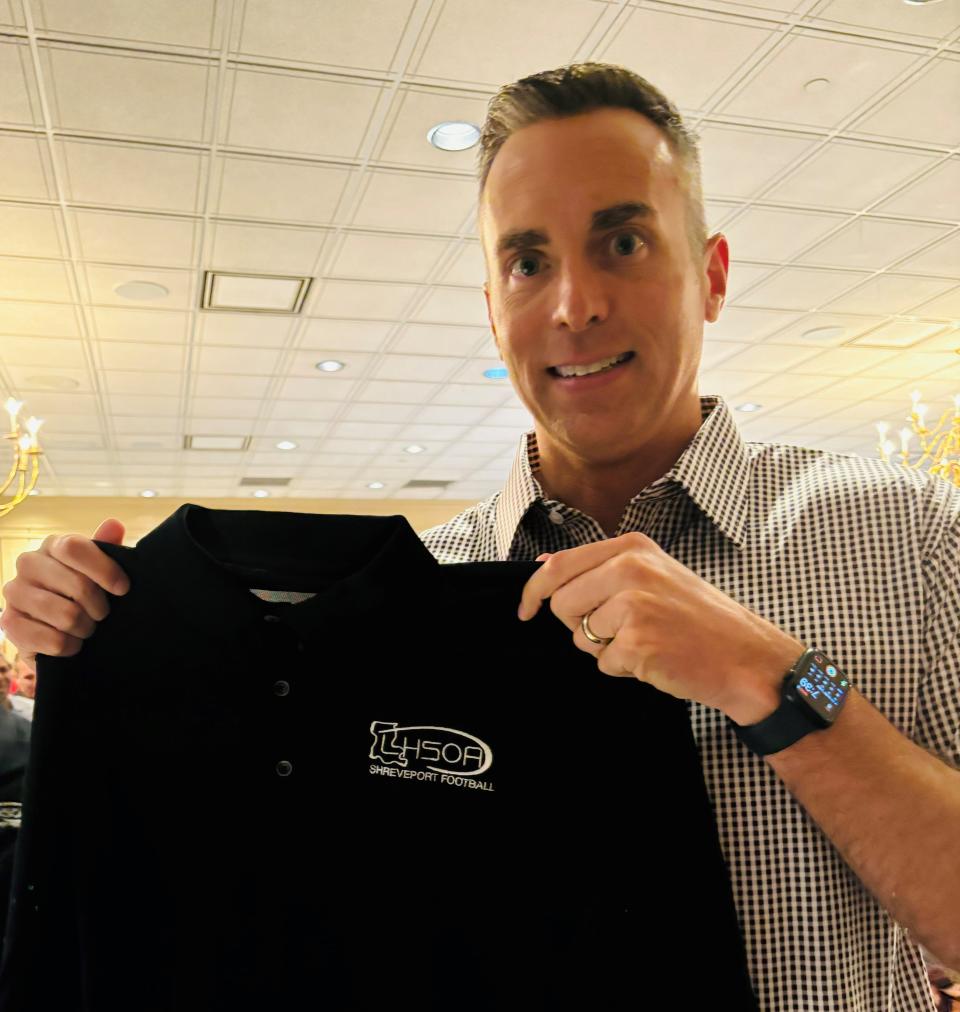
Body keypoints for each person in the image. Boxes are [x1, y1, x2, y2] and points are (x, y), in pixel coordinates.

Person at [0, 63, 958, 1011]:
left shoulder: (911, 538)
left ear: (709, 276)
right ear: (491, 307)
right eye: (528, 262)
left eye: (622, 240)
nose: (574, 304)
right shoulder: (414, 599)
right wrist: (89, 626)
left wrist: (770, 678)